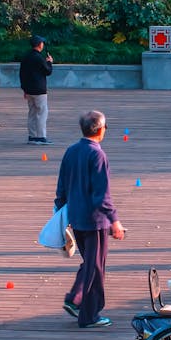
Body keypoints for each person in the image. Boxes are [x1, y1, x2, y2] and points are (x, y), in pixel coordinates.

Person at [55, 110, 126, 328]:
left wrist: (60, 211)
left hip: (76, 218)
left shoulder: (71, 151)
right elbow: (101, 194)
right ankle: (89, 315)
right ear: (100, 129)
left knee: (90, 264)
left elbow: (62, 187)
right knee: (95, 268)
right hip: (95, 221)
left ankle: (75, 299)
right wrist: (114, 220)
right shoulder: (98, 155)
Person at [20, 35, 54, 145]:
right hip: (39, 90)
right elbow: (48, 71)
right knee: (42, 113)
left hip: (29, 90)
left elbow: (21, 74)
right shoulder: (39, 58)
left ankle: (32, 136)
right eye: (42, 43)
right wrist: (49, 62)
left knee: (32, 113)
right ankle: (41, 137)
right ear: (40, 45)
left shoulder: (26, 56)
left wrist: (24, 89)